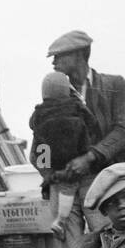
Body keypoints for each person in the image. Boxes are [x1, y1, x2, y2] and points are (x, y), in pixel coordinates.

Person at [45, 30, 125, 248]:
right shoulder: (54, 91)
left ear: (78, 55)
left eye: (59, 57)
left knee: (115, 246)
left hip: (105, 179)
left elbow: (124, 129)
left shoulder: (114, 84)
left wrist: (90, 157)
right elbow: (43, 138)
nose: (54, 63)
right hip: (65, 184)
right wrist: (49, 174)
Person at [30, 71, 98, 237]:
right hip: (83, 168)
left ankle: (61, 222)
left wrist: (50, 174)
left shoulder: (40, 116)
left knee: (67, 237)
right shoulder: (78, 109)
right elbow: (92, 128)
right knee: (102, 230)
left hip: (57, 174)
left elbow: (39, 152)